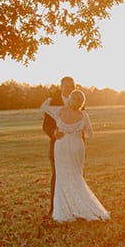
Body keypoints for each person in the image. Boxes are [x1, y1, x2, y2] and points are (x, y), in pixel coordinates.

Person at [40, 89, 110, 223]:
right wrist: (77, 130)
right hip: (77, 146)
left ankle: (66, 209)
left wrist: (49, 99)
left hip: (61, 144)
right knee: (76, 176)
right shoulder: (84, 115)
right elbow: (90, 134)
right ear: (82, 103)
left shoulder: (60, 110)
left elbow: (44, 107)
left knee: (62, 176)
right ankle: (82, 206)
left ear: (71, 99)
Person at [42, 76, 75, 214]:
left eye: (70, 86)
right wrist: (54, 133)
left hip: (74, 146)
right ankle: (55, 208)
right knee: (57, 175)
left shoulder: (78, 100)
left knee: (74, 176)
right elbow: (46, 126)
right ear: (61, 87)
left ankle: (73, 207)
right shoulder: (53, 103)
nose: (68, 88)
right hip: (58, 146)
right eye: (65, 86)